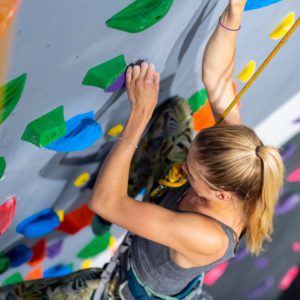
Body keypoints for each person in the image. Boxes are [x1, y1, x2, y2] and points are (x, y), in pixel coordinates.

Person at [0, 1, 284, 299]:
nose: (183, 168)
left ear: (220, 194)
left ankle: (127, 199)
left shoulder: (209, 237)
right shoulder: (242, 160)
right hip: (169, 210)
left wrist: (139, 117)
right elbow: (219, 79)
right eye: (189, 160)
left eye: (191, 171)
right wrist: (233, 12)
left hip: (124, 288)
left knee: (18, 296)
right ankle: (130, 184)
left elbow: (106, 203)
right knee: (175, 114)